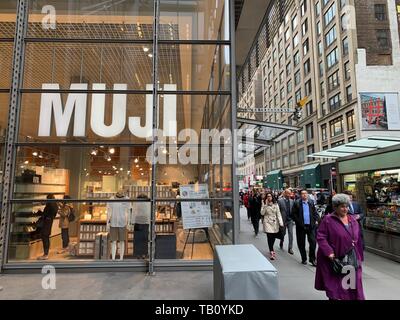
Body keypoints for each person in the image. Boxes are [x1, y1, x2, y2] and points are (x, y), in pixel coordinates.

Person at [315, 194, 365, 300]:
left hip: (350, 260)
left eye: (347, 206)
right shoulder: (328, 220)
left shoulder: (353, 220)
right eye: (342, 206)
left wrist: (359, 256)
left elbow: (358, 239)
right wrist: (329, 252)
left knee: (350, 287)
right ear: (335, 207)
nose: (345, 209)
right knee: (334, 287)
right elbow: (321, 237)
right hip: (334, 260)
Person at [292, 189, 320, 266]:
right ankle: (304, 258)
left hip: (311, 226)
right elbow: (294, 214)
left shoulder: (311, 202)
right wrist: (299, 222)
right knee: (301, 243)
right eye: (302, 194)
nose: (304, 195)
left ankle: (312, 259)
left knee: (313, 242)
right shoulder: (297, 203)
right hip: (301, 227)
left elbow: (315, 212)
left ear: (307, 194)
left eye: (305, 193)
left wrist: (316, 220)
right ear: (300, 195)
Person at [106, 190, 131, 260]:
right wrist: (107, 222)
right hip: (113, 222)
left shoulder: (127, 199)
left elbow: (129, 212)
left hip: (123, 223)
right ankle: (113, 258)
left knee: (122, 241)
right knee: (113, 241)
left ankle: (121, 258)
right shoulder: (111, 199)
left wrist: (129, 223)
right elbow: (109, 211)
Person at [261, 192, 284, 260]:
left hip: (274, 222)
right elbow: (262, 213)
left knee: (273, 236)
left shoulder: (276, 204)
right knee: (269, 236)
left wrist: (281, 223)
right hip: (267, 222)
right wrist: (265, 205)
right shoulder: (264, 203)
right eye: (267, 196)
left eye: (270, 196)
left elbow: (278, 214)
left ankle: (271, 248)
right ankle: (272, 251)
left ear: (272, 197)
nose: (269, 197)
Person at [37, 194, 59, 260]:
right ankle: (46, 253)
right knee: (46, 236)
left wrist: (40, 212)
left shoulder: (50, 204)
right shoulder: (55, 205)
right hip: (50, 221)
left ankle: (45, 254)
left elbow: (45, 213)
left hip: (46, 222)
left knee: (45, 237)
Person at [131, 194, 151, 259]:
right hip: (145, 221)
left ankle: (138, 254)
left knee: (137, 239)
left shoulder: (136, 203)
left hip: (137, 221)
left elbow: (134, 213)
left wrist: (132, 222)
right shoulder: (148, 203)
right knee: (144, 239)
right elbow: (149, 213)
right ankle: (144, 254)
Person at [278, 189, 295, 254]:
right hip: (283, 220)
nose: (289, 195)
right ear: (284, 193)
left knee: (291, 234)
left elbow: (293, 210)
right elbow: (278, 211)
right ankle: (281, 241)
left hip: (290, 220)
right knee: (283, 233)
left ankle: (290, 248)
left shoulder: (292, 201)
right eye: (288, 193)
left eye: (290, 193)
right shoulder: (280, 201)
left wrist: (293, 219)